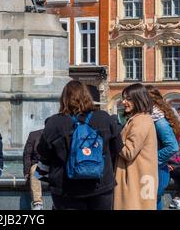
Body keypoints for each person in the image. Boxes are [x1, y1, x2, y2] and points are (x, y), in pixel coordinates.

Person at [36, 81, 123, 210]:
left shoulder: (54, 122)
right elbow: (117, 148)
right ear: (87, 96)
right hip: (100, 185)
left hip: (65, 188)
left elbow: (43, 152)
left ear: (63, 99)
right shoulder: (104, 118)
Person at [114, 83, 158, 210]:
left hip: (135, 180)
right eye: (124, 98)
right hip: (137, 178)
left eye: (128, 99)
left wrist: (114, 135)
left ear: (138, 99)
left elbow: (129, 152)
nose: (124, 102)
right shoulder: (139, 119)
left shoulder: (141, 121)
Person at [145, 85, 179, 210]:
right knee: (154, 201)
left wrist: (152, 160)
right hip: (158, 169)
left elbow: (172, 146)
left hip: (156, 170)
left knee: (152, 202)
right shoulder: (154, 115)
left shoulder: (158, 118)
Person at [23, 129, 43, 210]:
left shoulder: (57, 135)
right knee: (35, 171)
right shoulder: (34, 135)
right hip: (39, 164)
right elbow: (27, 154)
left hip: (53, 165)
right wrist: (27, 171)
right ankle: (38, 203)